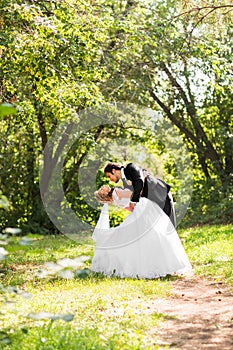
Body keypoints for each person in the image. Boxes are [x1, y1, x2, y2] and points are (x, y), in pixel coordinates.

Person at [90, 185, 192, 279]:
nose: (103, 187)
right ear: (104, 194)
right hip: (141, 207)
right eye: (102, 190)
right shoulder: (116, 191)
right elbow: (133, 197)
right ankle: (162, 264)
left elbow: (131, 204)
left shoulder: (115, 198)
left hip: (140, 208)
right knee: (149, 234)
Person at [104, 162, 176, 227]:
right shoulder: (124, 182)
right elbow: (134, 192)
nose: (110, 179)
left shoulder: (130, 167)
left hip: (161, 195)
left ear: (113, 171)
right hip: (153, 203)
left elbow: (139, 182)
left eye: (109, 176)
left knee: (171, 226)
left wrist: (133, 201)